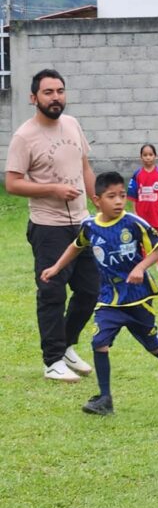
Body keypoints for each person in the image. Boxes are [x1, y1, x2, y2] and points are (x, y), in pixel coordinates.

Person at [40, 171, 158, 415]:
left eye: (122, 195)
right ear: (97, 200)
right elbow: (76, 246)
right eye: (111, 196)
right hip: (109, 298)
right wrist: (56, 268)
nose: (119, 201)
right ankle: (105, 399)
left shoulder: (133, 222)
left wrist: (140, 268)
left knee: (152, 344)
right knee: (99, 342)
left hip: (137, 297)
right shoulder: (89, 226)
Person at [5, 68, 99, 382]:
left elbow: (85, 167)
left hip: (82, 224)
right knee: (52, 293)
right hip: (48, 228)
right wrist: (53, 190)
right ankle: (53, 360)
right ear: (34, 98)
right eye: (48, 92)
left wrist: (98, 202)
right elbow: (12, 183)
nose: (55, 97)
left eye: (60, 91)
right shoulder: (24, 136)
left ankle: (67, 344)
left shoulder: (72, 124)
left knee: (90, 290)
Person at [127, 144, 158, 272]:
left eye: (150, 154)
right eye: (145, 155)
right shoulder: (137, 175)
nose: (148, 157)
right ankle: (145, 264)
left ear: (155, 156)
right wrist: (134, 211)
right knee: (142, 237)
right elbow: (133, 195)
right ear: (141, 157)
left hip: (157, 212)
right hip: (142, 213)